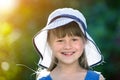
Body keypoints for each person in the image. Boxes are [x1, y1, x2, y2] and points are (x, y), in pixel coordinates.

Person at [33, 8, 105, 80]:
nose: (67, 46)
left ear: (84, 41)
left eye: (74, 40)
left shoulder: (97, 78)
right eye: (60, 40)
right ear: (49, 43)